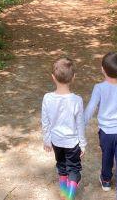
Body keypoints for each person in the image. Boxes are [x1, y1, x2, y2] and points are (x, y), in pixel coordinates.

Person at [84, 52, 117, 200]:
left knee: (107, 156)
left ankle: (106, 180)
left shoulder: (99, 88)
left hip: (106, 132)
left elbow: (91, 108)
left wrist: (81, 125)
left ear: (102, 69)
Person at [42, 57, 87, 200]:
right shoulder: (76, 100)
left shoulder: (47, 98)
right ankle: (69, 196)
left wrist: (47, 140)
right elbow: (80, 124)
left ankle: (64, 195)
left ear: (52, 77)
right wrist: (83, 144)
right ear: (73, 78)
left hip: (56, 141)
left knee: (61, 167)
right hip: (72, 143)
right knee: (74, 170)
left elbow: (45, 122)